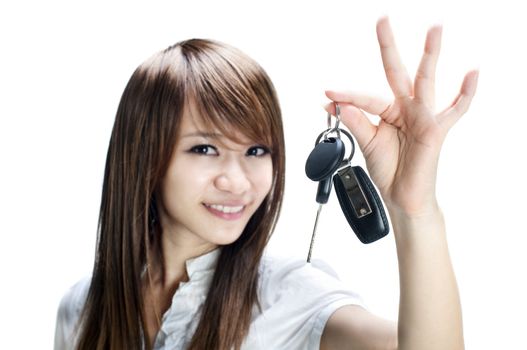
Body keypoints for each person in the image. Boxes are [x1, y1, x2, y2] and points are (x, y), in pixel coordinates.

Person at [54, 16, 478, 350]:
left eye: (257, 151)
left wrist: (415, 211)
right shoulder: (82, 306)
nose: (237, 181)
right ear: (145, 156)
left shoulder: (289, 296)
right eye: (204, 149)